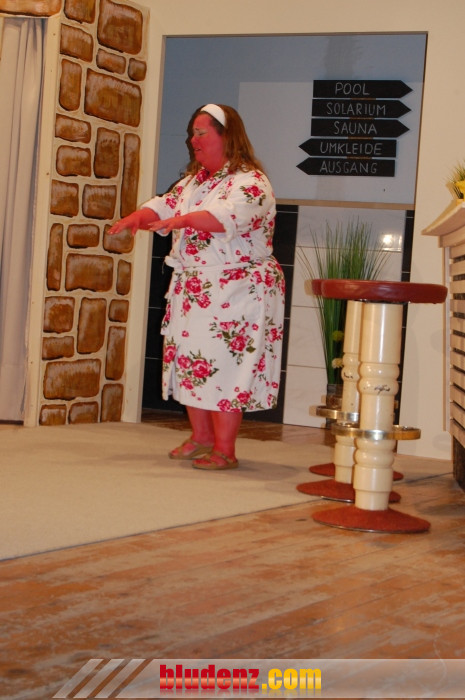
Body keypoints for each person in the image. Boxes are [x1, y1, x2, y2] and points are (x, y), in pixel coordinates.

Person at [108, 103, 285, 470]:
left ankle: (225, 448)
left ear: (227, 136)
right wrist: (136, 217)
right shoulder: (196, 181)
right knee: (192, 360)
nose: (193, 140)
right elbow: (164, 205)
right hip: (196, 289)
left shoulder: (251, 182)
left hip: (238, 289)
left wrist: (182, 220)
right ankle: (202, 436)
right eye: (193, 133)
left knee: (226, 364)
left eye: (201, 133)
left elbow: (224, 218)